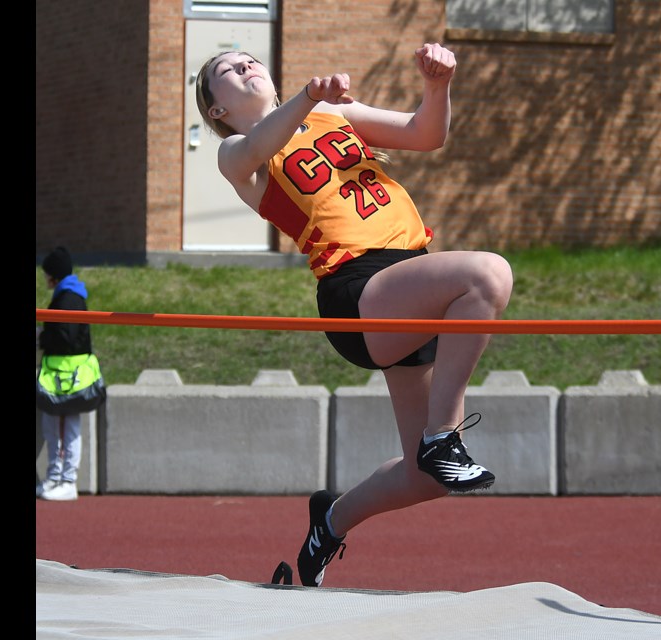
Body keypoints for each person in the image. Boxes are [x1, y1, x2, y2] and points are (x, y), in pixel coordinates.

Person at [195, 43, 514, 587]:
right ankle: (443, 436)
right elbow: (262, 145)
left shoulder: (331, 115)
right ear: (217, 111)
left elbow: (424, 134)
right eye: (228, 68)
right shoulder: (238, 153)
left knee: (424, 479)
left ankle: (331, 520)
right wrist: (305, 97)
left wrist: (438, 86)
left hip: (409, 283)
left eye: (250, 58)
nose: (245, 64)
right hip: (357, 290)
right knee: (486, 274)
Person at [36, 246, 94, 501]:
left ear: (54, 276)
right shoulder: (67, 294)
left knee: (66, 427)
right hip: (60, 373)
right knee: (54, 426)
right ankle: (54, 477)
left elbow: (64, 336)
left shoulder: (68, 298)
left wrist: (42, 338)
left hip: (67, 375)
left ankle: (67, 480)